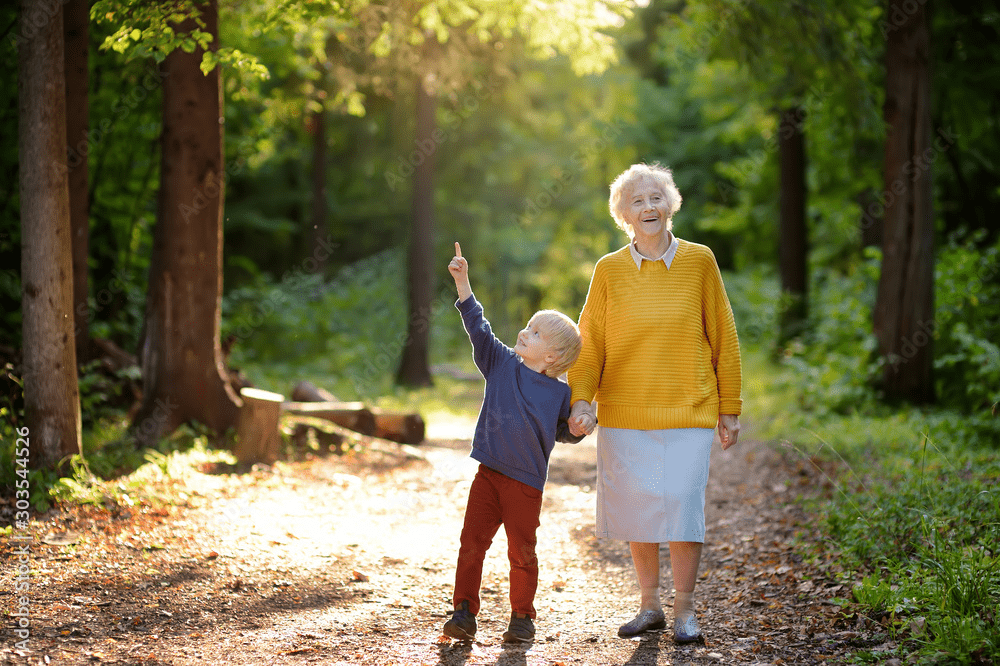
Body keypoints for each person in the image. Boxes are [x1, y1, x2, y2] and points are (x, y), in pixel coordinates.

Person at [566, 163, 742, 644]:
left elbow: (723, 336)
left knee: (683, 506)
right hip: (624, 412)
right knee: (639, 509)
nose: (649, 207)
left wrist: (731, 406)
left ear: (671, 204)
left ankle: (685, 610)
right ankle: (650, 606)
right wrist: (581, 399)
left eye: (656, 198)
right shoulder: (608, 271)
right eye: (637, 201)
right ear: (623, 215)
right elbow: (591, 342)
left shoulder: (700, 261)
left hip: (689, 409)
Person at [442, 241, 585, 644]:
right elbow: (478, 328)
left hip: (525, 485)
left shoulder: (560, 394)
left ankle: (522, 617)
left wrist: (576, 428)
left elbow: (561, 431)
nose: (524, 332)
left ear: (554, 357)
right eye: (527, 325)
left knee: (521, 552)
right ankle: (463, 612)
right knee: (471, 543)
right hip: (488, 474)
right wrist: (463, 283)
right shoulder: (501, 363)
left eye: (535, 332)